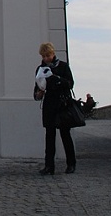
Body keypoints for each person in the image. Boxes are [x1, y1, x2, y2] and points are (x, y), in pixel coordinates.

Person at [33, 42, 76, 175]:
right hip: (49, 105)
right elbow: (36, 91)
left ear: (53, 54)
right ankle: (49, 166)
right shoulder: (40, 69)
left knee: (65, 134)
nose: (46, 58)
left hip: (62, 104)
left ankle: (71, 164)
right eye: (43, 56)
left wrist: (56, 79)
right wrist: (39, 94)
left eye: (48, 55)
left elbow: (70, 84)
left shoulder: (63, 66)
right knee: (49, 136)